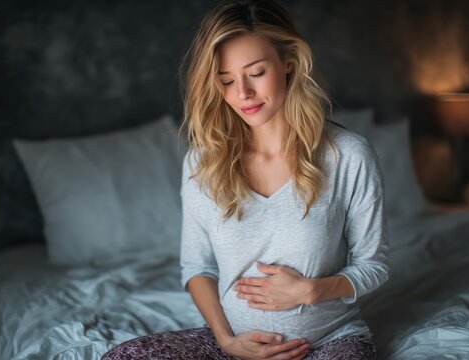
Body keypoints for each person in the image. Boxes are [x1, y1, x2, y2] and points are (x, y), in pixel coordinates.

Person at [101, 0, 388, 359]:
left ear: (288, 64)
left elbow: (373, 264)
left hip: (330, 341)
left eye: (255, 72)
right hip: (237, 345)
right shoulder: (203, 161)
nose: (243, 94)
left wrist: (310, 291)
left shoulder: (348, 155)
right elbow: (197, 268)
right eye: (226, 80)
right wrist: (226, 341)